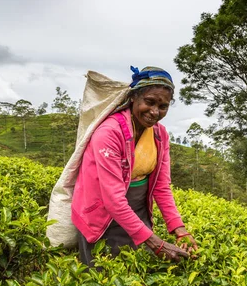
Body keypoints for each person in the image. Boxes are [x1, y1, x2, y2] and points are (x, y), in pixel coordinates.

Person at [71, 66, 197, 266]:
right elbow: (113, 199)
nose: (155, 112)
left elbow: (161, 187)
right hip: (101, 214)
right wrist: (157, 244)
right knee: (100, 277)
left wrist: (179, 229)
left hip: (137, 212)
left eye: (163, 106)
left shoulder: (160, 135)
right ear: (133, 98)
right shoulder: (109, 133)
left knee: (135, 272)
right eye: (149, 102)